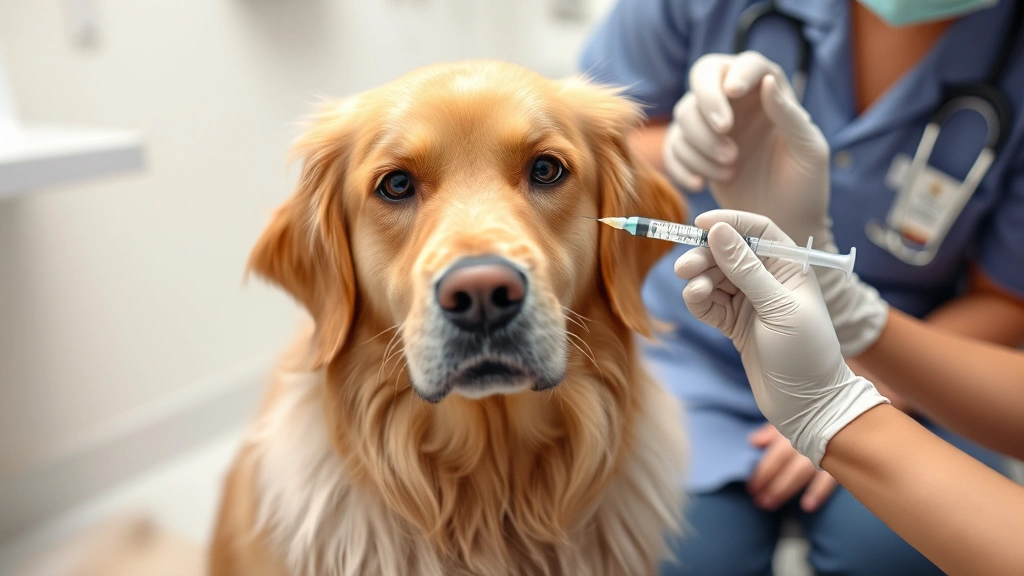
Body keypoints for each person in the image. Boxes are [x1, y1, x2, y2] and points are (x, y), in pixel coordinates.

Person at [580, 1, 1024, 573]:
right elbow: (574, 147)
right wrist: (684, 147)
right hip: (687, 350)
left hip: (922, 362)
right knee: (675, 548)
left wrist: (851, 382)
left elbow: (1007, 299)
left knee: (898, 553)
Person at [674, 209, 1024, 576]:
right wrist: (853, 312)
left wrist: (834, 409)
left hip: (909, 389)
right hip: (700, 368)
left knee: (889, 554)